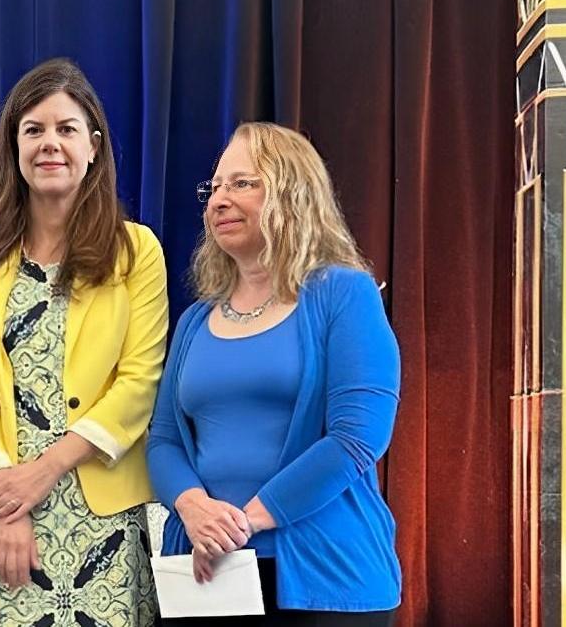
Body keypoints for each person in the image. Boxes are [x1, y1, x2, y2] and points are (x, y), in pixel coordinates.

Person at [146, 122, 401, 626]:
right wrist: (193, 508)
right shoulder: (195, 320)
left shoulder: (344, 294)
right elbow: (164, 440)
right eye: (214, 187)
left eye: (242, 183)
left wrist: (241, 524)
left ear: (293, 193)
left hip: (329, 580)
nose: (219, 199)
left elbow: (357, 437)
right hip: (208, 578)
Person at [0, 58, 168, 626]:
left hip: (102, 517)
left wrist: (41, 474)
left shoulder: (137, 252)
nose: (51, 144)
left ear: (93, 146)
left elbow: (139, 383)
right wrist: (10, 503)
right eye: (34, 130)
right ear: (14, 150)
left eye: (66, 129)